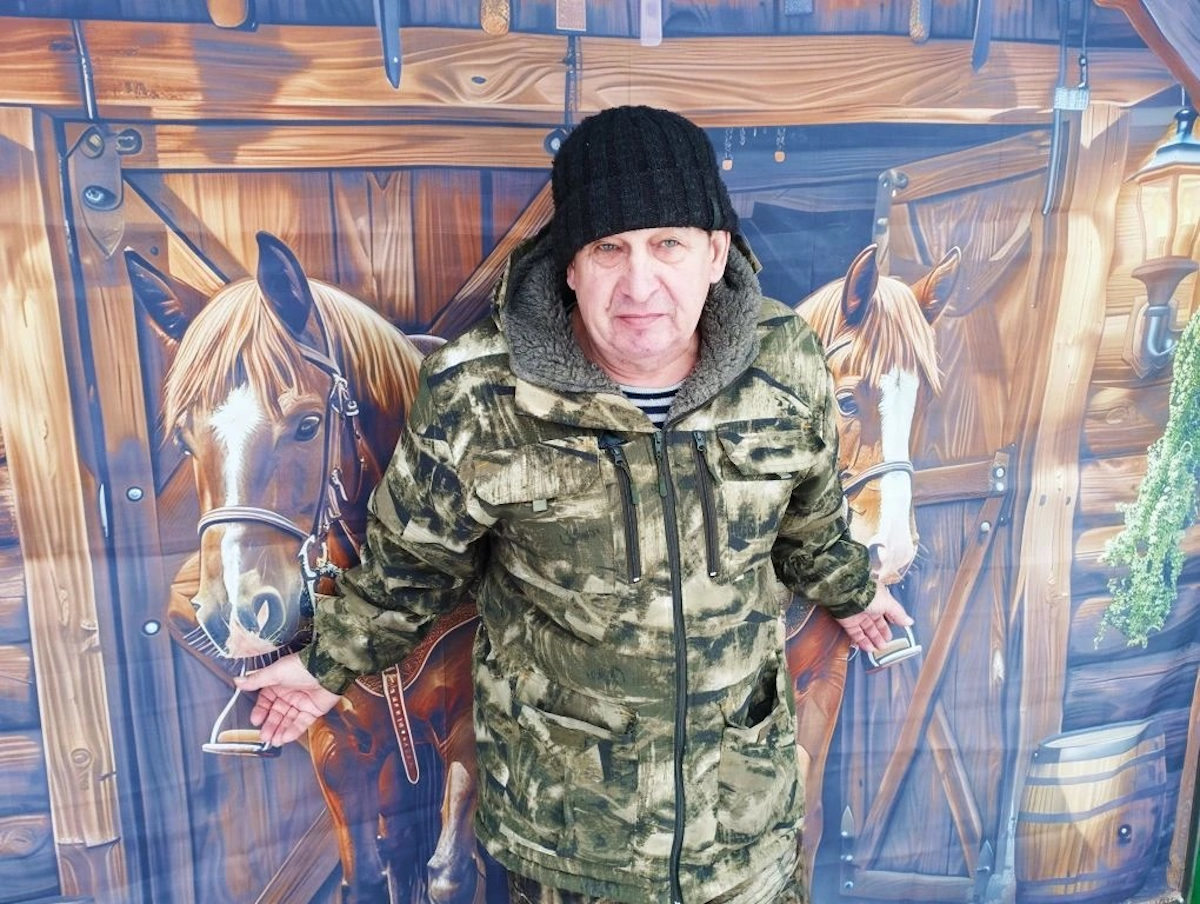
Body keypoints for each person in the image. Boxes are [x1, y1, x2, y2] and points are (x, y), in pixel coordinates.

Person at [237, 104, 911, 904]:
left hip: (744, 834)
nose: (640, 284)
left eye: (668, 244)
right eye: (608, 248)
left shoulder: (786, 360)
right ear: (569, 265)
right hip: (565, 844)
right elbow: (412, 565)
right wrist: (326, 665)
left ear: (715, 252)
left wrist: (851, 589)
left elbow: (809, 520)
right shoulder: (480, 391)